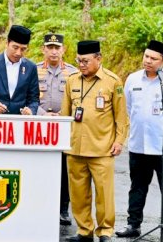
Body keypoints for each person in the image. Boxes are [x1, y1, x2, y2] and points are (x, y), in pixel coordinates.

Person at [115, 40, 163, 241]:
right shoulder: (132, 80)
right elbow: (129, 108)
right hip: (139, 144)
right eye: (146, 56)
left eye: (153, 58)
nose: (148, 61)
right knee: (137, 186)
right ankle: (133, 224)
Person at [60, 41, 129, 242]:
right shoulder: (72, 80)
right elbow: (65, 115)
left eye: (86, 61)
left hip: (102, 148)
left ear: (98, 59)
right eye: (79, 60)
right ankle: (84, 230)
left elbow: (121, 117)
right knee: (78, 194)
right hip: (75, 149)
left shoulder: (112, 82)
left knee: (104, 195)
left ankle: (105, 231)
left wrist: (119, 141)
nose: (82, 64)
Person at [36, 33, 77, 226]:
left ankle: (63, 210)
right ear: (43, 49)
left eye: (57, 48)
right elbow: (27, 97)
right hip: (39, 125)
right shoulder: (33, 70)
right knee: (40, 167)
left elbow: (78, 100)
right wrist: (43, 114)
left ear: (63, 50)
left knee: (64, 169)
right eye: (49, 47)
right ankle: (40, 206)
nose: (53, 51)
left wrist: (62, 114)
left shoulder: (73, 73)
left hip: (64, 126)